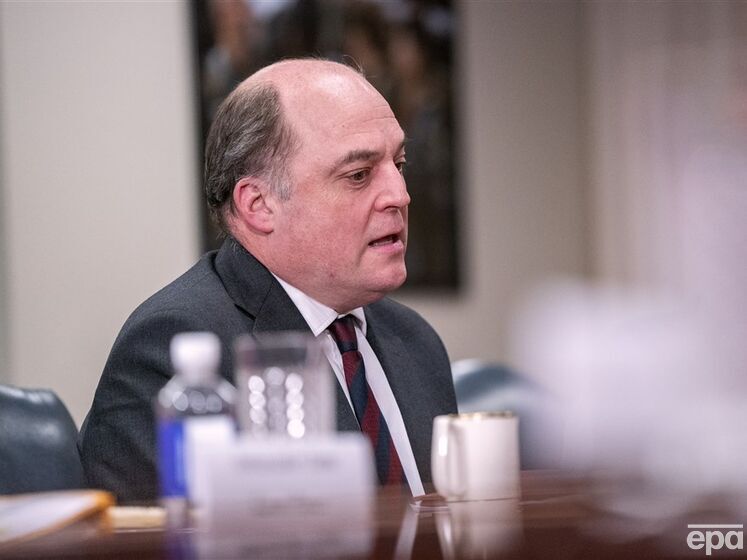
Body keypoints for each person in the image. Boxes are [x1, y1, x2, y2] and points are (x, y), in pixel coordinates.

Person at [78, 59, 457, 503]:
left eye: (399, 164)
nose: (399, 195)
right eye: (358, 175)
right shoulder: (172, 344)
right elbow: (155, 536)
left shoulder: (415, 341)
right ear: (259, 205)